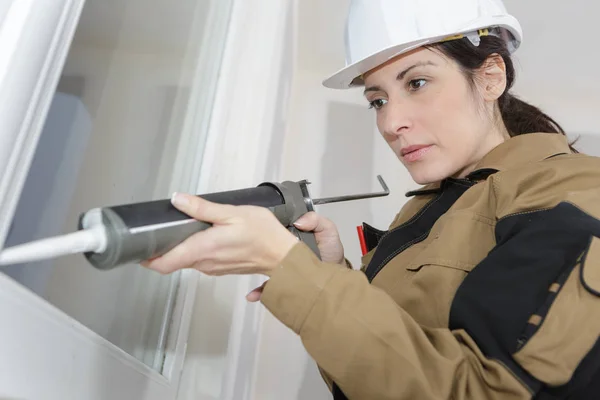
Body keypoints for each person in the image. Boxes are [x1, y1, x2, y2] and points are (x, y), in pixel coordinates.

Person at [142, 0, 600, 398]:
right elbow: (382, 377)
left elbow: (482, 391)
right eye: (377, 100)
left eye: (417, 83)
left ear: (489, 76)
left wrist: (293, 272)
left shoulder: (576, 193)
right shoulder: (423, 214)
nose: (390, 122)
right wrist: (326, 274)